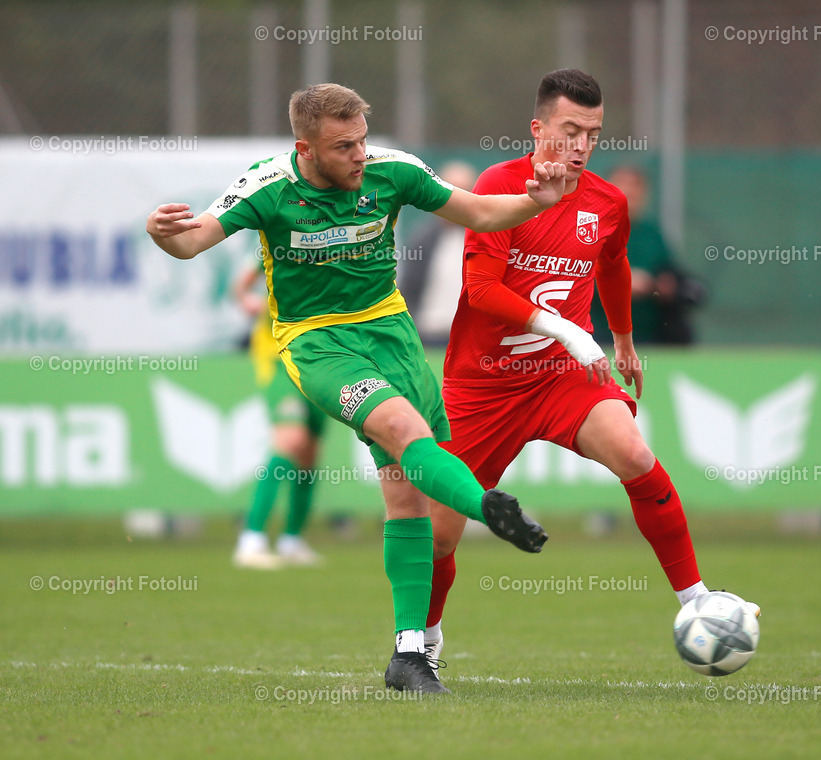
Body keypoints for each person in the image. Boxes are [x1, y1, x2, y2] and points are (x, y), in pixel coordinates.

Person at [146, 83, 563, 694]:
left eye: (363, 139)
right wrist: (163, 233)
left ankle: (408, 655)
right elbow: (191, 240)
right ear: (305, 149)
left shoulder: (392, 172)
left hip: (392, 334)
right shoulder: (267, 186)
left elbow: (478, 212)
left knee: (407, 497)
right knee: (404, 433)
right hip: (316, 344)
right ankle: (488, 508)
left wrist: (537, 202)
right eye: (344, 147)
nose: (360, 155)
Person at [424, 69, 759, 678]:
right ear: (538, 129)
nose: (581, 145)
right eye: (569, 130)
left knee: (633, 453)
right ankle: (425, 640)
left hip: (560, 377)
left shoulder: (607, 202)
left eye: (593, 133)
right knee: (439, 537)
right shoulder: (499, 187)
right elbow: (479, 288)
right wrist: (574, 331)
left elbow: (613, 265)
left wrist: (625, 339)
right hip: (483, 386)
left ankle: (698, 602)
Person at [232, 263, 327, 569]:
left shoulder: (342, 242)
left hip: (321, 364)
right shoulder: (285, 235)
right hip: (279, 362)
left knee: (309, 452)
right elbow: (242, 284)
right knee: (290, 440)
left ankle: (291, 541)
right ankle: (251, 540)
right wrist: (247, 299)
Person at [589, 165, 706, 345]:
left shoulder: (652, 233)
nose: (629, 191)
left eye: (636, 186)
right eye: (621, 184)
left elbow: (669, 273)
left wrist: (662, 286)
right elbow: (572, 278)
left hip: (651, 338)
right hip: (599, 337)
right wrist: (619, 282)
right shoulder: (590, 229)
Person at [398, 161, 479, 345]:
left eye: (464, 192)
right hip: (428, 334)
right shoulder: (423, 237)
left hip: (469, 336)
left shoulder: (484, 238)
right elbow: (409, 287)